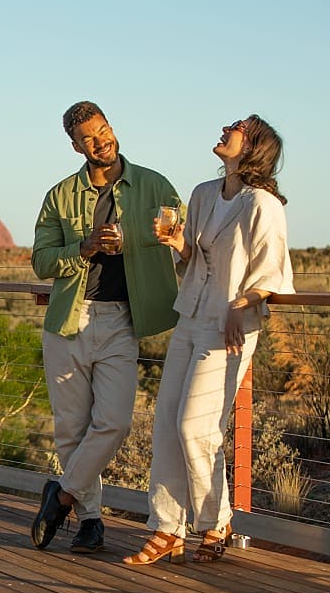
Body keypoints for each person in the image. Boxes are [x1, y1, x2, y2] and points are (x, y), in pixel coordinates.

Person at [124, 115, 294, 566]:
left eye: (236, 126)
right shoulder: (202, 193)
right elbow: (194, 260)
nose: (225, 129)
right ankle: (166, 528)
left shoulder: (264, 205)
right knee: (166, 423)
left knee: (196, 427)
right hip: (192, 316)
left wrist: (242, 304)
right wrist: (177, 242)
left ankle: (216, 521)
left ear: (252, 146)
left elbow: (272, 270)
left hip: (230, 327)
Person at [31, 101, 182, 553]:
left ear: (111, 128)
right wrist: (84, 247)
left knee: (114, 423)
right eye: (89, 139)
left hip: (121, 319)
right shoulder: (60, 196)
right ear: (75, 146)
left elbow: (187, 235)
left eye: (103, 131)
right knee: (71, 430)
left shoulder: (154, 185)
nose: (101, 142)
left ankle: (60, 497)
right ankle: (90, 521)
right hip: (69, 320)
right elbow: (41, 261)